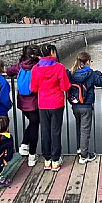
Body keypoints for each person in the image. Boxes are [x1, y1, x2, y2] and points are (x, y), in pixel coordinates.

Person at [30, 43, 70, 172]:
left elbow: (33, 88)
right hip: (57, 103)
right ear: (51, 53)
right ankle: (55, 160)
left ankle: (47, 160)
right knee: (55, 131)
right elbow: (65, 87)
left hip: (43, 103)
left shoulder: (35, 68)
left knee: (45, 131)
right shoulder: (59, 67)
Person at [67, 51, 102, 164]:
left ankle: (79, 148)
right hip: (86, 105)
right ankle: (84, 156)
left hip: (75, 105)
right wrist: (98, 73)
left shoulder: (71, 73)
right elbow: (100, 82)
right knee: (85, 130)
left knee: (79, 127)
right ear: (87, 61)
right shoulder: (91, 73)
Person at [7, 45, 41, 167]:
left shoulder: (20, 66)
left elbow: (8, 71)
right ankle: (31, 156)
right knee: (34, 125)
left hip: (22, 102)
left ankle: (24, 145)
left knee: (33, 123)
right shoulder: (39, 65)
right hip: (35, 101)